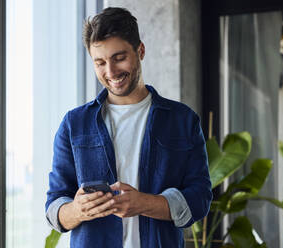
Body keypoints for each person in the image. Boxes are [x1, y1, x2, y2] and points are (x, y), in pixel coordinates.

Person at [45, 7, 212, 248]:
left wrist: (144, 203)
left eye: (119, 58)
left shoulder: (183, 120)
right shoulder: (74, 124)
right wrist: (77, 210)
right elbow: (54, 208)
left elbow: (200, 199)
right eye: (100, 62)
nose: (110, 72)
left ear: (140, 50)